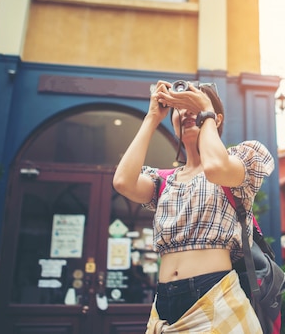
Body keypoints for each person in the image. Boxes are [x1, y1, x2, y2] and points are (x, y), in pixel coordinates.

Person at [113, 80, 274, 333]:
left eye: (193, 104)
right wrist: (153, 116)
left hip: (217, 301)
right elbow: (123, 182)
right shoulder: (164, 181)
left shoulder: (241, 161)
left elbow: (215, 168)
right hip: (163, 310)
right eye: (181, 107)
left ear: (216, 119)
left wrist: (206, 110)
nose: (187, 111)